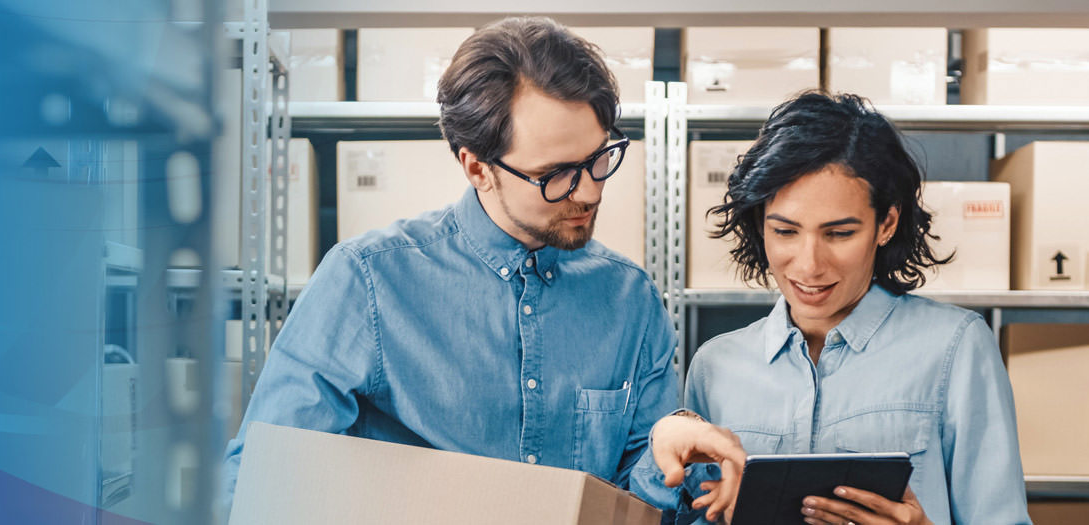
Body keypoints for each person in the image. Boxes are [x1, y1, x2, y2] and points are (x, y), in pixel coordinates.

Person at [221, 16, 745, 520]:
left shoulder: (629, 299)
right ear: (476, 166)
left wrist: (665, 454)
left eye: (599, 158)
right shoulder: (367, 282)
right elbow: (258, 484)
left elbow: (640, 503)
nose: (589, 191)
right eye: (556, 174)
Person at [684, 91, 1030, 524]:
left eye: (839, 233)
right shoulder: (715, 366)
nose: (809, 265)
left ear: (885, 223)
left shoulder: (954, 348)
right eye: (786, 231)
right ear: (760, 224)